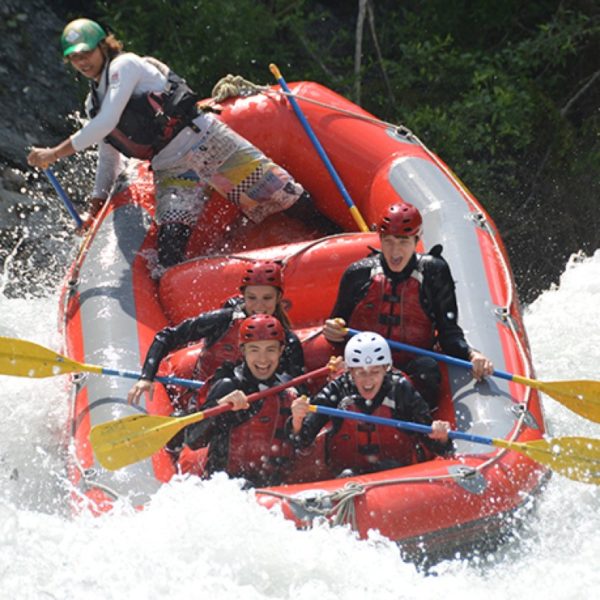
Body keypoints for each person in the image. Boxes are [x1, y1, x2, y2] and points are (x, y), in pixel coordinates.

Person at [27, 18, 315, 267]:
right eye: (74, 58)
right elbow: (108, 157)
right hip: (172, 169)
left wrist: (54, 153)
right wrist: (94, 208)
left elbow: (107, 122)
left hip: (207, 143)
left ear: (104, 46)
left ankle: (329, 232)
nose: (81, 62)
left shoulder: (125, 66)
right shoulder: (93, 102)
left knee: (287, 197)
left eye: (86, 53)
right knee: (169, 252)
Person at [323, 201, 493, 407]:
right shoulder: (357, 274)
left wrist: (471, 354)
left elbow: (448, 332)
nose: (395, 251)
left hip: (410, 366)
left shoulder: (433, 273)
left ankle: (421, 423)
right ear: (380, 240)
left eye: (403, 242)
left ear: (416, 240)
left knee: (428, 370)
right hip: (363, 368)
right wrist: (332, 331)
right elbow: (337, 330)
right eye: (389, 241)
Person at [127, 260, 304, 406]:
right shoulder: (223, 320)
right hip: (203, 402)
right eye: (252, 298)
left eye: (267, 298)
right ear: (243, 296)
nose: (259, 306)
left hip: (251, 410)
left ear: (279, 298)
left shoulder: (288, 341)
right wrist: (146, 377)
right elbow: (166, 337)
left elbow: (298, 388)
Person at [290, 332, 451, 477]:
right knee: (348, 475)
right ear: (351, 372)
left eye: (375, 372)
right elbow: (302, 440)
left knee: (389, 467)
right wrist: (297, 420)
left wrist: (441, 436)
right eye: (361, 372)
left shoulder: (401, 390)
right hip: (347, 476)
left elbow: (438, 447)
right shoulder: (338, 389)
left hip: (397, 473)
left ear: (385, 369)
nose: (368, 380)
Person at [178, 314, 301, 487]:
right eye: (254, 350)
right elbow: (193, 439)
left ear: (281, 351)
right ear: (243, 351)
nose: (263, 359)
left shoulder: (287, 390)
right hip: (225, 486)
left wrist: (297, 423)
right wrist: (219, 407)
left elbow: (299, 446)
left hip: (270, 488)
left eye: (270, 350)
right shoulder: (228, 385)